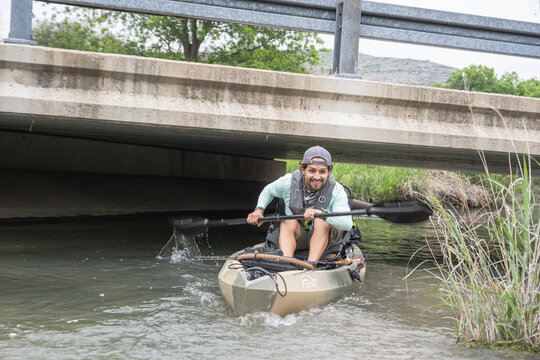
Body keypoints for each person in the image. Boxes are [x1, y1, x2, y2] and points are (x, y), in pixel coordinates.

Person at [246, 146, 353, 262]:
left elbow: (347, 224)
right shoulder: (287, 182)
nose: (317, 177)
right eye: (312, 171)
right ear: (303, 170)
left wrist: (322, 214)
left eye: (322, 171)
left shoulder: (337, 191)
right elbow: (268, 190)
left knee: (320, 220)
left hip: (327, 239)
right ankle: (287, 262)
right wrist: (259, 209)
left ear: (329, 172)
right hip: (298, 237)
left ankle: (310, 264)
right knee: (287, 220)